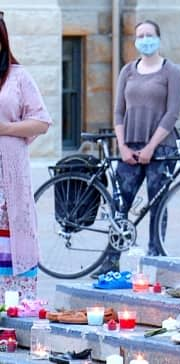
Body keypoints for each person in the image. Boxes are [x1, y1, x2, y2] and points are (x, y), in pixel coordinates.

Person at [93, 19, 180, 276]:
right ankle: (109, 262)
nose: (145, 39)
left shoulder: (170, 71)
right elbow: (118, 111)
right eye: (140, 35)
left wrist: (151, 147)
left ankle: (157, 261)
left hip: (161, 149)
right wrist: (121, 145)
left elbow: (172, 113)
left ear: (158, 38)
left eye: (149, 35)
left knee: (158, 207)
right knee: (121, 206)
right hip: (129, 147)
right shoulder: (128, 71)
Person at [0, 11, 52, 303]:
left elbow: (42, 121)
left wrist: (7, 128)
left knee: (12, 239)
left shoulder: (18, 76)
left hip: (10, 179)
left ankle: (14, 310)